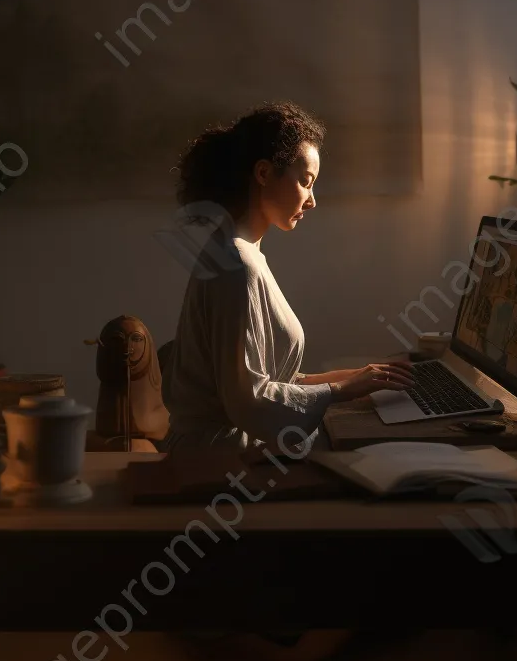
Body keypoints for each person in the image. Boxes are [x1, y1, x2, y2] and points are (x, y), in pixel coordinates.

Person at [161, 101, 414, 453]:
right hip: (217, 458)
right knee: (385, 451)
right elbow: (249, 399)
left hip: (226, 446)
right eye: (305, 182)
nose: (311, 200)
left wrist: (355, 378)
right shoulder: (237, 264)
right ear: (264, 173)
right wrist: (340, 391)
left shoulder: (238, 252)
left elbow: (262, 379)